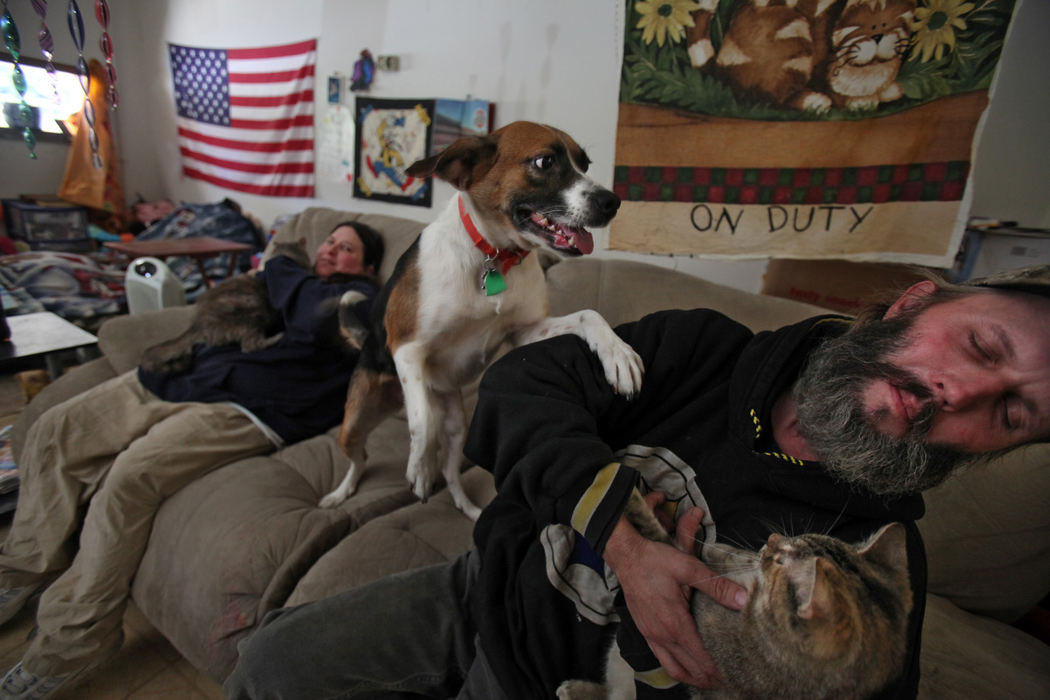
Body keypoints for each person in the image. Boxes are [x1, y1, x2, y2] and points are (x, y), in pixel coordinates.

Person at [225, 264, 1050, 699]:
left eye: (1012, 415)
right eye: (983, 349)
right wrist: (622, 539)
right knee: (268, 666)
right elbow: (518, 390)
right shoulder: (702, 350)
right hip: (487, 590)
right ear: (913, 303)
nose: (968, 395)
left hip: (568, 686)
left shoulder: (874, 573)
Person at [0, 221, 385, 699]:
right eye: (328, 241)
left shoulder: (360, 303)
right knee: (54, 431)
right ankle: (18, 572)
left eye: (345, 248)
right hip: (183, 375)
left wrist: (282, 266)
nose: (329, 250)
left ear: (366, 266)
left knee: (129, 479)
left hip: (248, 410)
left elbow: (314, 316)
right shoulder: (286, 282)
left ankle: (71, 643)